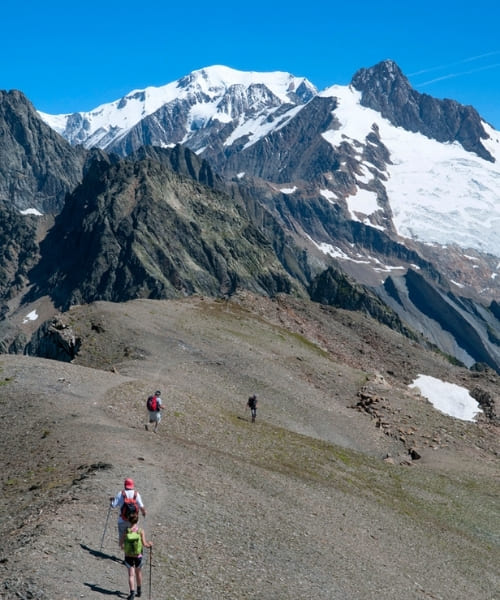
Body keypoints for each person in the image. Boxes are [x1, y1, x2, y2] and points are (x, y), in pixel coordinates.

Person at [120, 511, 152, 600]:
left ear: (129, 521)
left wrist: (124, 547)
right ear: (137, 521)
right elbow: (145, 544)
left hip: (128, 555)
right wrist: (150, 544)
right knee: (138, 573)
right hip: (138, 556)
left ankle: (132, 593)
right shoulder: (140, 531)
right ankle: (139, 590)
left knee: (131, 575)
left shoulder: (126, 531)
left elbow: (121, 543)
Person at [109, 478, 147, 544]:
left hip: (122, 520)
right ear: (132, 485)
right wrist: (144, 513)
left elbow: (113, 505)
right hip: (132, 521)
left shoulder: (121, 493)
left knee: (122, 541)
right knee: (133, 538)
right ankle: (133, 552)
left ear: (125, 485)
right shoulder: (136, 494)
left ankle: (125, 552)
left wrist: (112, 500)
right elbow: (141, 507)